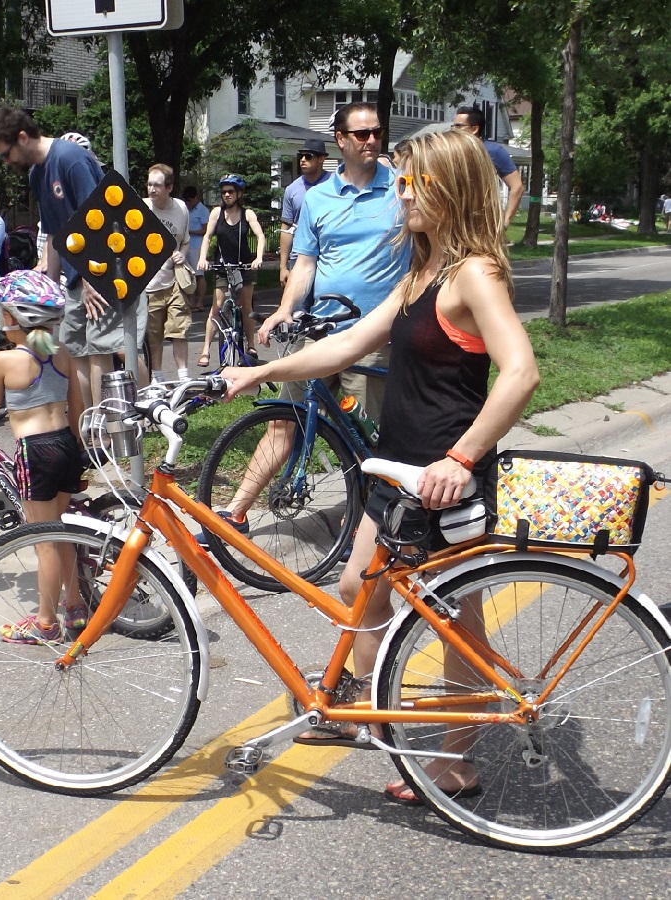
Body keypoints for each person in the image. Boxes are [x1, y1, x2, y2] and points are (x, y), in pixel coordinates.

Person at [224, 128, 540, 802]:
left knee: (458, 621)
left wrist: (462, 457)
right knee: (357, 589)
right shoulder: (421, 273)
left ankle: (456, 762)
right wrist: (263, 372)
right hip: (396, 468)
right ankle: (370, 710)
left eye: (414, 183)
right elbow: (344, 346)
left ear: (450, 188)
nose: (402, 195)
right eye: (400, 182)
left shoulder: (474, 273)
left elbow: (521, 373)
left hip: (444, 476)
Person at [200, 102, 409, 538]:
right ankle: (235, 514)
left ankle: (368, 532)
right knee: (282, 420)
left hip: (375, 333)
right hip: (319, 327)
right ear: (340, 140)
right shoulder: (317, 198)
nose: (371, 140)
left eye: (377, 132)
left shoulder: (401, 189)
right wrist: (284, 308)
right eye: (361, 134)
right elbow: (307, 263)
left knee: (364, 435)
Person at [0, 270, 87, 644]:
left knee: (43, 541)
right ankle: (74, 609)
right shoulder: (64, 354)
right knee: (61, 531)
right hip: (67, 446)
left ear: (12, 318)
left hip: (36, 452)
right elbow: (78, 408)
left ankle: (44, 622)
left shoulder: (5, 361)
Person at [0, 108, 134, 410]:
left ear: (22, 138)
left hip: (105, 270)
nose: (7, 162)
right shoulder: (38, 173)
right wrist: (48, 293)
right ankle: (89, 432)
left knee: (99, 353)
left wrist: (93, 279)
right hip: (78, 276)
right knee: (75, 353)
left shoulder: (70, 157)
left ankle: (113, 430)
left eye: (6, 154)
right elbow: (53, 235)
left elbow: (99, 219)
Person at [196, 174, 266, 368]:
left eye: (231, 191)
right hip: (223, 266)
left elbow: (260, 236)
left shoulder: (247, 214)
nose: (227, 195)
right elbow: (207, 236)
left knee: (245, 305)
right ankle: (205, 350)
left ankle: (250, 346)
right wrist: (203, 258)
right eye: (224, 191)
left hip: (245, 266)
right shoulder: (216, 213)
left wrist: (258, 258)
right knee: (217, 306)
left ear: (239, 193)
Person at [143, 164, 191, 382]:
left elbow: (186, 241)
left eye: (157, 185)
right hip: (149, 285)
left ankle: (184, 377)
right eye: (149, 184)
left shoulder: (181, 208)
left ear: (169, 187)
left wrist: (182, 254)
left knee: (179, 330)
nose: (151, 189)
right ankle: (158, 377)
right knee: (154, 336)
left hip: (174, 282)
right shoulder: (141, 209)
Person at [452, 105, 524, 229]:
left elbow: (517, 187)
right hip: (453, 222)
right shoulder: (449, 151)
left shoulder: (493, 151)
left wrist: (505, 222)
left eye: (459, 126)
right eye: (453, 126)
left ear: (474, 129)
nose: (454, 130)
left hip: (482, 225)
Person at [279, 137, 331, 290]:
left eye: (308, 156)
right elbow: (286, 228)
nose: (302, 160)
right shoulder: (292, 190)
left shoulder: (334, 184)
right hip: (300, 256)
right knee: (299, 309)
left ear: (321, 159)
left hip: (327, 256)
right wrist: (283, 266)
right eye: (300, 156)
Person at [182, 186, 209, 311]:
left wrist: (190, 231)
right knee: (188, 274)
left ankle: (200, 301)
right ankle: (191, 300)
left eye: (190, 200)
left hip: (197, 246)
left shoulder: (202, 210)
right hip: (186, 245)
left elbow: (205, 230)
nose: (188, 203)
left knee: (198, 274)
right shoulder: (186, 209)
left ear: (196, 197)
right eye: (186, 200)